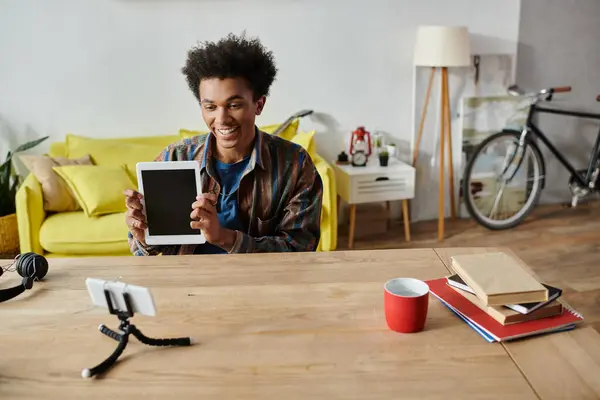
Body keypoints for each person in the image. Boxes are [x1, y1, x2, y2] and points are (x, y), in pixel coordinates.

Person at [123, 33, 323, 256]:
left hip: (261, 285)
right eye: (210, 107)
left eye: (234, 105)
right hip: (188, 285)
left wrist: (225, 238)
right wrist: (144, 237)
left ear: (259, 104)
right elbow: (146, 252)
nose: (221, 119)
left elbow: (301, 250)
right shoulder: (175, 158)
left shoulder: (294, 165)